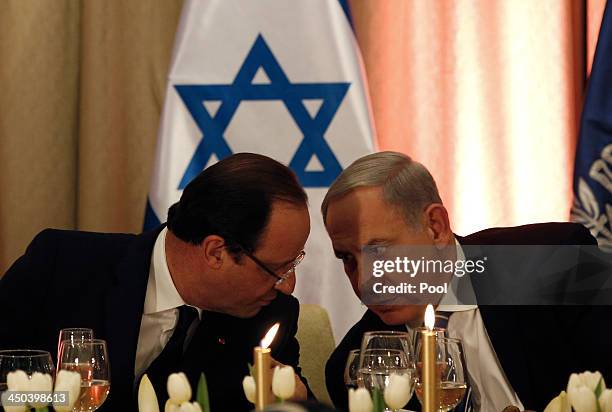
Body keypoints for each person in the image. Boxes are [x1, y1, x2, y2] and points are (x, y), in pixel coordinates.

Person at [0, 153, 313, 411]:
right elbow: (7, 393)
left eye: (294, 263)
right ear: (216, 252)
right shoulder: (61, 267)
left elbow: (297, 403)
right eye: (277, 270)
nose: (288, 285)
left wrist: (294, 405)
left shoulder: (270, 316)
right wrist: (53, 397)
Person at [321, 151, 612, 412]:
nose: (364, 282)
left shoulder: (557, 265)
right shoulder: (356, 369)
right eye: (347, 258)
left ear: (436, 227)